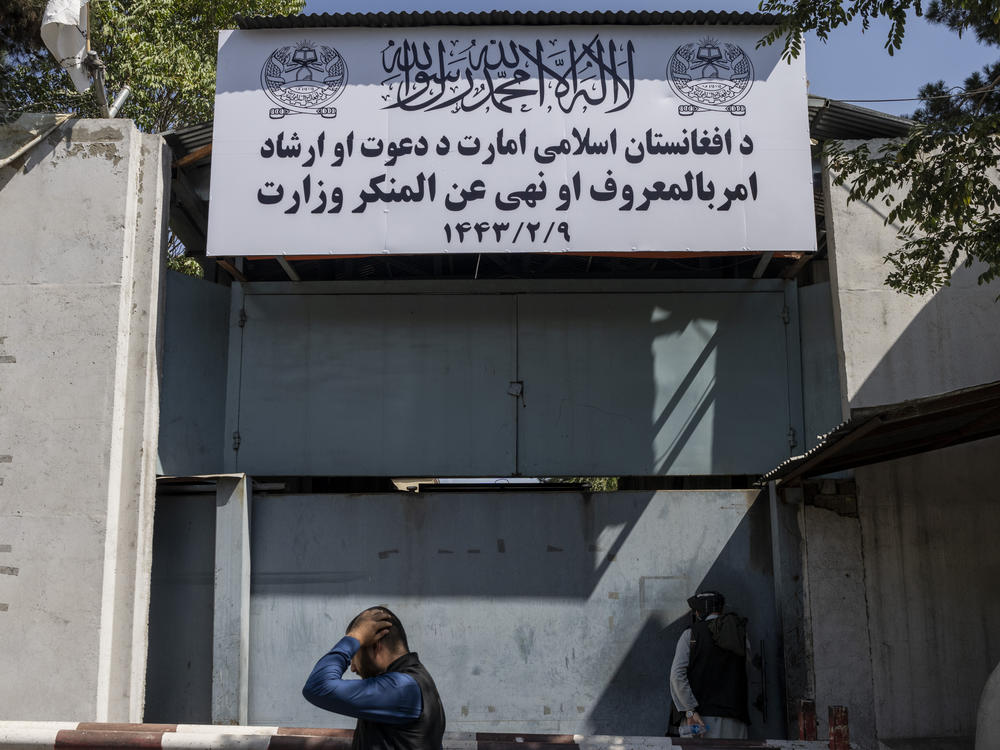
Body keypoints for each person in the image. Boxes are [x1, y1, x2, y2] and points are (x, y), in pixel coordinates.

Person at [303, 606, 446, 750]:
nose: (352, 668)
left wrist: (354, 637)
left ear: (376, 645)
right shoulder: (413, 681)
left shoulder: (402, 688)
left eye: (354, 655)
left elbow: (318, 685)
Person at [668, 590, 751, 739]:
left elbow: (677, 676)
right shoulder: (740, 635)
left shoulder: (691, 634)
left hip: (699, 721)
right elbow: (748, 669)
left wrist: (689, 711)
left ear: (699, 612)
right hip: (736, 722)